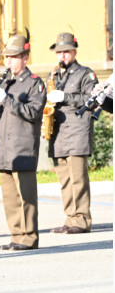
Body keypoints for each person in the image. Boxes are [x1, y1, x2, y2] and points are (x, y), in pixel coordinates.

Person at [0, 31, 46, 250]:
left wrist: (7, 100)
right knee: (10, 197)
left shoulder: (35, 84)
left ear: (25, 58)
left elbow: (33, 112)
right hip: (4, 148)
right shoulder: (5, 82)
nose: (9, 62)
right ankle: (16, 234)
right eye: (7, 57)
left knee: (26, 196)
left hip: (22, 147)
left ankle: (29, 236)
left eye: (14, 57)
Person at [46, 33, 99, 234]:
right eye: (59, 53)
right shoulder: (54, 75)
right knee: (65, 181)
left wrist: (65, 96)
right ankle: (70, 218)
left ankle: (82, 220)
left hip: (77, 131)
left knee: (78, 179)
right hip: (58, 133)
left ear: (74, 52)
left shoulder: (86, 74)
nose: (62, 56)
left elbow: (92, 100)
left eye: (66, 52)